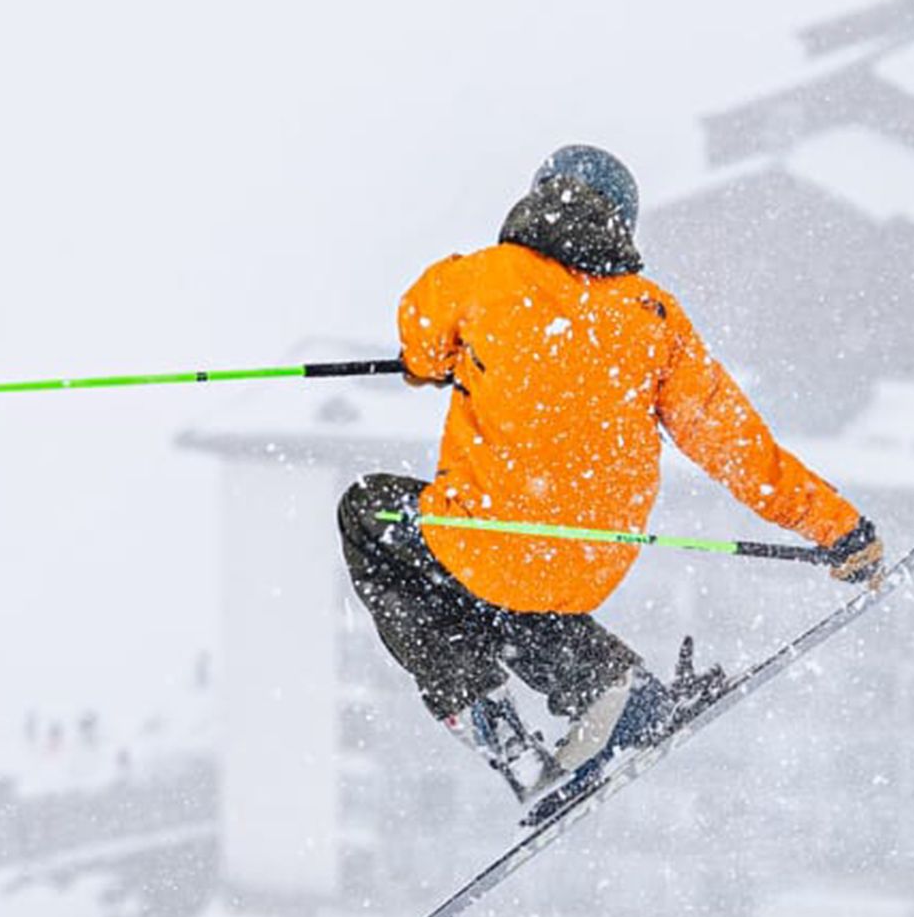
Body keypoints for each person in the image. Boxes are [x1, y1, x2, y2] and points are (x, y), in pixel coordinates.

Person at [338, 144, 882, 818]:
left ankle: (496, 728)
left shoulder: (482, 277)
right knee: (505, 574)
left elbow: (418, 339)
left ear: (538, 196)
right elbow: (737, 447)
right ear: (624, 224)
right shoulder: (653, 314)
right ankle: (613, 688)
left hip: (492, 539)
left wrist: (448, 362)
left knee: (371, 514)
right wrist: (838, 528)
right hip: (591, 562)